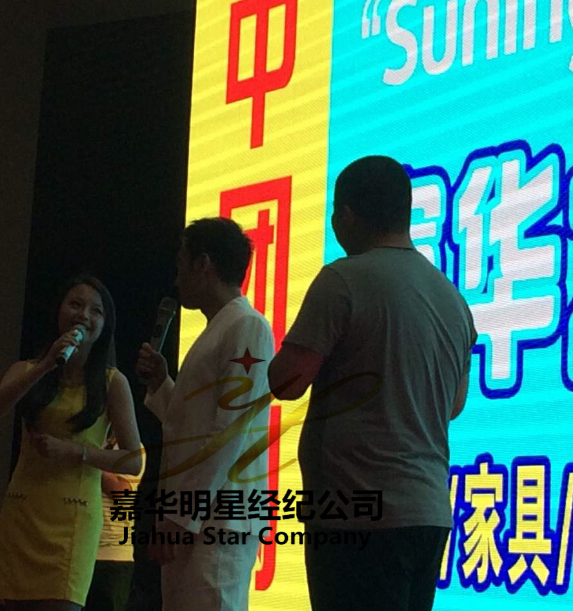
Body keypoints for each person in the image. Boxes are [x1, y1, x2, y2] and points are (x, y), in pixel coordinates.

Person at [268, 156, 477, 611]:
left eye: (334, 213)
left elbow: (286, 382)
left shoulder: (342, 279)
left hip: (356, 513)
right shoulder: (453, 299)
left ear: (347, 215)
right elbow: (453, 404)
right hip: (428, 512)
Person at [135, 218, 274, 611]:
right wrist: (163, 384)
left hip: (217, 521)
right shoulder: (219, 328)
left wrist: (181, 517)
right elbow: (193, 424)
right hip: (200, 519)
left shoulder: (246, 326)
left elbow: (228, 432)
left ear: (203, 264)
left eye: (181, 264)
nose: (176, 277)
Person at [0, 274, 143, 611]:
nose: (84, 315)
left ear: (105, 326)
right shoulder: (26, 369)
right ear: (59, 311)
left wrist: (74, 451)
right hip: (24, 509)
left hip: (74, 515)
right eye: (75, 304)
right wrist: (45, 365)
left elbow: (133, 460)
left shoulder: (113, 382)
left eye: (96, 311)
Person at [85, 430, 145, 611]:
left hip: (111, 555)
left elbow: (122, 493)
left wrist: (86, 458)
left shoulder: (131, 448)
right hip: (75, 548)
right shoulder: (82, 442)